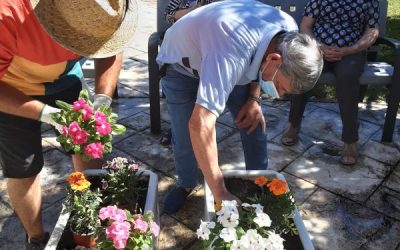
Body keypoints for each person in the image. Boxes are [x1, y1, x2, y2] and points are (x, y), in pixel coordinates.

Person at [157, 0, 323, 214]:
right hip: (182, 66)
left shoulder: (289, 31)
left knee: (253, 122)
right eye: (281, 88)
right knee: (185, 135)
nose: (279, 95)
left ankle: (260, 182)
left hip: (222, 53)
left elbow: (261, 53)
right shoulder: (230, 49)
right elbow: (200, 124)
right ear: (275, 60)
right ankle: (186, 183)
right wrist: (220, 192)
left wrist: (254, 98)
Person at [0, 0, 137, 248]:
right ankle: (36, 238)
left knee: (88, 148)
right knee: (24, 168)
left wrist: (103, 99)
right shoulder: (8, 13)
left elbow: (111, 50)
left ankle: (87, 215)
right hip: (11, 88)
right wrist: (46, 113)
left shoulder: (105, 10)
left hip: (65, 81)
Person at [281, 0, 379, 165]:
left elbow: (372, 31)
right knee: (304, 69)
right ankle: (294, 125)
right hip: (317, 48)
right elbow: (305, 25)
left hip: (351, 52)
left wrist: (351, 50)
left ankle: (350, 141)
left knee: (347, 76)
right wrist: (319, 47)